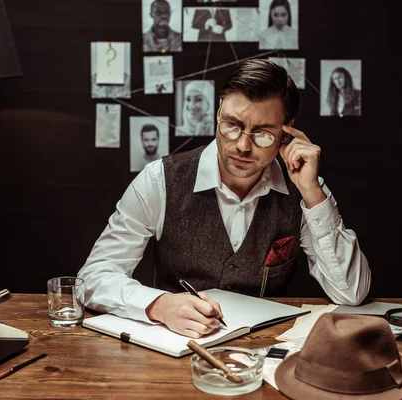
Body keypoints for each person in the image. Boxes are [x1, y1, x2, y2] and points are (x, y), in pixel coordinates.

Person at [79, 59, 371, 338]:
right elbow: (93, 277)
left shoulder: (305, 190)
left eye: (262, 133)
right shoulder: (159, 181)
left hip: (267, 351)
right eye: (232, 125)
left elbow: (350, 293)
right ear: (218, 114)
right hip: (176, 346)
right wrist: (158, 305)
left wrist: (312, 195)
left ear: (286, 131)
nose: (243, 145)